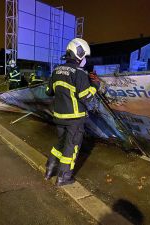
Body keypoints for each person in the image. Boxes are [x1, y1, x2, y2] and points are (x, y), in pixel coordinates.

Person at [45, 38, 100, 186]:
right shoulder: (79, 72)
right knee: (72, 147)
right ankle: (63, 177)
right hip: (74, 118)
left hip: (58, 116)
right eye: (85, 57)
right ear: (79, 53)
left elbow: (48, 92)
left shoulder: (56, 70)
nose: (85, 60)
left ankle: (49, 170)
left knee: (61, 143)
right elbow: (86, 96)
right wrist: (95, 85)